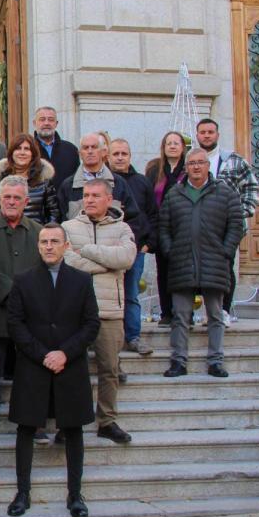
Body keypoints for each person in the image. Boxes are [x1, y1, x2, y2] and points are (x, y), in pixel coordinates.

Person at [6, 223, 100, 517]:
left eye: (54, 241)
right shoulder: (23, 280)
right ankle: (22, 493)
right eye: (44, 241)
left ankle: (75, 494)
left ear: (66, 245)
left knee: (73, 430)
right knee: (25, 428)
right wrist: (43, 354)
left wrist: (65, 353)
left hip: (70, 366)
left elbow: (91, 324)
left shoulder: (82, 281)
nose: (48, 246)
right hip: (34, 366)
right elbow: (15, 324)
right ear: (38, 246)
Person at [61, 179, 136, 444]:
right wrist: (108, 263)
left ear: (109, 199)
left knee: (109, 368)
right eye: (86, 195)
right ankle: (68, 421)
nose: (89, 200)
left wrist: (90, 251)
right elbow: (66, 260)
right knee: (70, 369)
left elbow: (126, 259)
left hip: (109, 310)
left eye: (95, 195)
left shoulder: (122, 228)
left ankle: (107, 420)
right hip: (74, 310)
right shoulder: (67, 228)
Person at [0, 175, 44, 442]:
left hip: (30, 315)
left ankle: (34, 421)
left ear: (26, 201)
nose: (11, 202)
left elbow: (42, 268)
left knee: (31, 370)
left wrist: (27, 298)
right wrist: (13, 293)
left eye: (16, 198)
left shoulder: (38, 231)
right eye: (6, 197)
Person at [159, 148, 243, 379]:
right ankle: (178, 361)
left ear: (208, 166)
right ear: (186, 168)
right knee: (180, 315)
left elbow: (236, 225)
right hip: (182, 263)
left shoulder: (225, 193)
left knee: (215, 315)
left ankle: (216, 361)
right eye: (192, 163)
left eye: (200, 162)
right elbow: (164, 227)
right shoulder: (174, 194)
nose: (196, 167)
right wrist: (170, 251)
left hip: (214, 263)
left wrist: (226, 252)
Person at [196, 118, 259, 323]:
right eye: (203, 132)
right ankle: (207, 312)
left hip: (227, 226)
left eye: (210, 132)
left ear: (217, 135)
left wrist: (241, 213)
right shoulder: (192, 160)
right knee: (201, 268)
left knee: (225, 266)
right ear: (197, 135)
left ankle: (224, 310)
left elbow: (251, 188)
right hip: (200, 224)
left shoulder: (234, 160)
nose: (206, 135)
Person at [108, 139, 157, 355]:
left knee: (131, 295)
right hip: (108, 250)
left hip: (134, 249)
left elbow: (152, 215)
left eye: (124, 153)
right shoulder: (107, 182)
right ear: (107, 156)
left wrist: (146, 245)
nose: (120, 157)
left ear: (130, 156)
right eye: (116, 153)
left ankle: (133, 336)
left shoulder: (142, 182)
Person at [145, 131, 188, 326]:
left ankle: (183, 313)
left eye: (176, 143)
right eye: (168, 143)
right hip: (162, 227)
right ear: (163, 147)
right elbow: (149, 198)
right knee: (163, 271)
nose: (172, 146)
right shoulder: (155, 169)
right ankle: (166, 313)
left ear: (182, 147)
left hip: (184, 227)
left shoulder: (188, 169)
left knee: (183, 272)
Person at [56, 133, 141, 223]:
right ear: (80, 154)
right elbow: (60, 220)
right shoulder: (68, 185)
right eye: (85, 148)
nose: (90, 151)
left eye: (94, 147)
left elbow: (133, 218)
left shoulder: (119, 183)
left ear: (104, 152)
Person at [0, 133, 60, 225]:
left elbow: (54, 214)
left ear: (33, 154)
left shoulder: (44, 181)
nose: (22, 152)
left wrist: (45, 235)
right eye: (18, 148)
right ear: (11, 153)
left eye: (27, 149)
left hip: (36, 235)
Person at [31, 106, 80, 187]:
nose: (46, 123)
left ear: (56, 124)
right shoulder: (28, 150)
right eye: (42, 119)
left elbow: (77, 180)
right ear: (34, 123)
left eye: (50, 120)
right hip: (36, 199)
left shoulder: (71, 150)